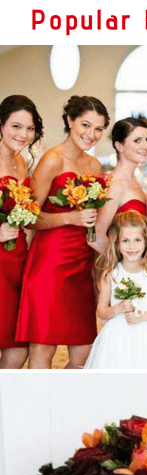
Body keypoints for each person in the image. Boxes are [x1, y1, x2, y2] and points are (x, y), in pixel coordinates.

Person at [15, 94, 110, 369]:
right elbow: (28, 217)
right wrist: (70, 217)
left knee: (82, 356)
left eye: (98, 129)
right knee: (43, 349)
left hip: (82, 265)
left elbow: (93, 222)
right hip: (50, 265)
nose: (91, 134)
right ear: (70, 120)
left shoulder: (95, 166)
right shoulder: (52, 159)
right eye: (86, 125)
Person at [85, 212, 147, 370]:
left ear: (145, 242)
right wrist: (118, 308)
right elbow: (101, 312)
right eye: (125, 241)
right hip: (117, 340)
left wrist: (144, 316)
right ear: (117, 244)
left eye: (137, 240)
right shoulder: (111, 274)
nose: (132, 246)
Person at [0, 95, 43, 369]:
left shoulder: (22, 162)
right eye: (16, 126)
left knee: (17, 349)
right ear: (1, 125)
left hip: (18, 259)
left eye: (29, 128)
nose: (23, 134)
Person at [94, 118, 147, 248]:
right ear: (119, 146)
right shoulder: (116, 185)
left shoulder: (136, 181)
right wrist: (123, 263)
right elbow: (95, 237)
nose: (146, 146)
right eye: (137, 141)